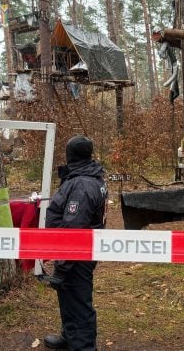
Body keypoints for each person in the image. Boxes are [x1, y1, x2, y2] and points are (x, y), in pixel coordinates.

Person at [41, 135, 108, 351]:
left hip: (76, 255)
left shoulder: (82, 184)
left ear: (71, 155)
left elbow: (73, 231)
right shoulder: (85, 176)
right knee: (68, 296)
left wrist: (61, 266)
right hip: (75, 254)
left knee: (79, 302)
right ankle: (70, 336)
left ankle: (84, 346)